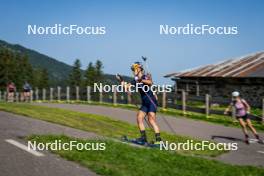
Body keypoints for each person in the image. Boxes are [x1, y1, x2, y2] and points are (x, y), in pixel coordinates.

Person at [116, 62, 162, 145]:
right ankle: (143, 138)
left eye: (134, 69)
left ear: (139, 69)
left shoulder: (144, 76)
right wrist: (121, 80)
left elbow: (150, 82)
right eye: (132, 70)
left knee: (151, 120)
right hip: (144, 103)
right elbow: (126, 87)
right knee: (139, 117)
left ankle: (159, 140)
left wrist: (142, 80)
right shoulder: (135, 80)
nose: (133, 71)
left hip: (151, 101)